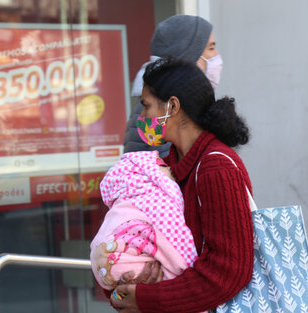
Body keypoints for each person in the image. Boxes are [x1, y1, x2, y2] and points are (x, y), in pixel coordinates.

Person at [110, 58, 254, 313]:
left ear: (172, 106)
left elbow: (229, 273)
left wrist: (148, 299)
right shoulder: (162, 169)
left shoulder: (216, 169)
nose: (141, 117)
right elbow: (126, 240)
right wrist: (125, 287)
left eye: (146, 106)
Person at [90, 150, 199, 293]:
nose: (173, 174)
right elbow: (176, 241)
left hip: (105, 266)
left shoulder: (122, 199)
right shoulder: (156, 203)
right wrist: (187, 269)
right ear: (155, 176)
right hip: (132, 269)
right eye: (169, 171)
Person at [124, 14, 222, 158]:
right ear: (190, 56)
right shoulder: (161, 106)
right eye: (211, 48)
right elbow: (168, 171)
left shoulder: (167, 99)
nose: (216, 55)